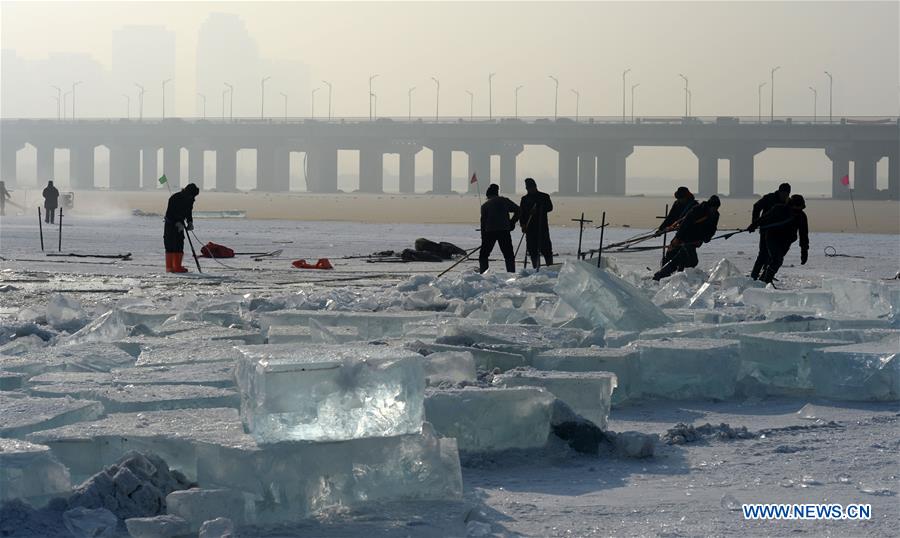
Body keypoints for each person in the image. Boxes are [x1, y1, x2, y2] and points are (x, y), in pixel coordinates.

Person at [653, 195, 721, 281]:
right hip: (686, 238)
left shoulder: (715, 215)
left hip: (696, 240)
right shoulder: (697, 210)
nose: (715, 209)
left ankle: (667, 275)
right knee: (691, 260)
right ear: (710, 205)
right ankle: (667, 276)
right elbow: (685, 224)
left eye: (717, 208)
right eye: (714, 207)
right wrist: (678, 238)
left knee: (681, 259)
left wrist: (707, 238)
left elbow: (712, 229)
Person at [755, 194, 808, 284]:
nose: (797, 211)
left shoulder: (802, 216)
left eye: (800, 209)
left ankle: (763, 280)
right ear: (790, 205)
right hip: (772, 238)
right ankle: (765, 281)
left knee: (774, 261)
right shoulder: (778, 209)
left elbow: (804, 235)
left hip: (786, 242)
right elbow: (764, 218)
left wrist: (804, 252)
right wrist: (753, 225)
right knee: (777, 260)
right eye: (795, 208)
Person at [747, 182, 791, 280]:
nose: (785, 196)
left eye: (787, 194)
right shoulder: (769, 198)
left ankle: (765, 276)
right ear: (779, 192)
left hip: (779, 234)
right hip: (765, 230)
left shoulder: (788, 202)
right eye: (783, 194)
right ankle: (753, 276)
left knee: (773, 257)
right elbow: (756, 207)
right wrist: (754, 223)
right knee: (763, 254)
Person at [479, 183, 519, 273]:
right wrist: (512, 223)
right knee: (508, 255)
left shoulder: (485, 205)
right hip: (504, 231)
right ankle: (511, 273)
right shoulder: (505, 201)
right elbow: (518, 210)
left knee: (483, 255)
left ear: (488, 195)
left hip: (490, 232)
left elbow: (483, 224)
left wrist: (483, 238)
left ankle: (483, 274)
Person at [163, 183, 200, 273]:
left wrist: (190, 222)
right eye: (192, 195)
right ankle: (170, 267)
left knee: (179, 244)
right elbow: (170, 213)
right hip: (170, 224)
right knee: (170, 244)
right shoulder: (175, 198)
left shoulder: (190, 199)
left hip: (181, 224)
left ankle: (177, 266)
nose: (193, 197)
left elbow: (188, 212)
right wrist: (177, 223)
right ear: (187, 192)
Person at [519, 177, 554, 269]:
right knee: (532, 250)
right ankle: (535, 268)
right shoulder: (524, 199)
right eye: (527, 188)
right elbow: (521, 214)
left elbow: (550, 208)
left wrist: (538, 209)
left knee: (546, 249)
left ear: (535, 187)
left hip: (542, 227)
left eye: (531, 188)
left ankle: (549, 268)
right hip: (530, 228)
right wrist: (523, 225)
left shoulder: (544, 196)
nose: (529, 190)